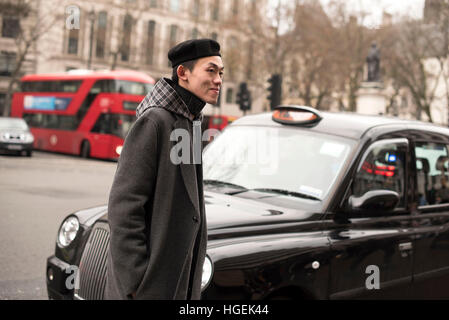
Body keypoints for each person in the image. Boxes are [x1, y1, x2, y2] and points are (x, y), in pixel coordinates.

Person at [105, 39, 224, 300]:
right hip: (149, 288)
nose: (218, 80)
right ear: (183, 73)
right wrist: (135, 281)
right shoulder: (155, 121)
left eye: (221, 73)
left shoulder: (191, 121)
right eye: (211, 70)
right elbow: (124, 206)